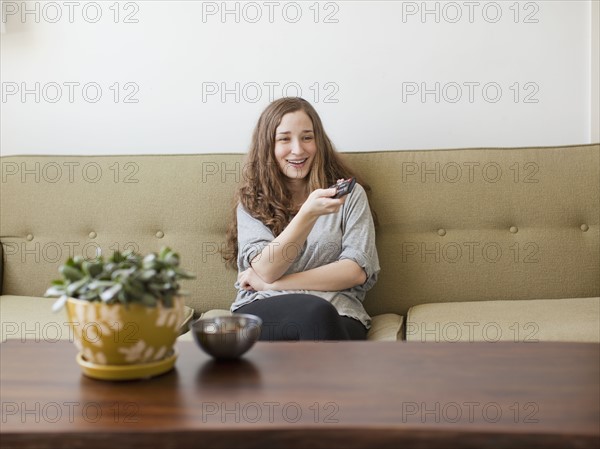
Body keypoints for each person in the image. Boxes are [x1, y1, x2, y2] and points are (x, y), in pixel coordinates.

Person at [222, 97, 379, 341]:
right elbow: (266, 267)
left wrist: (271, 285)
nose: (298, 149)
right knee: (314, 313)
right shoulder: (252, 199)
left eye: (307, 137)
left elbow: (355, 272)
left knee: (318, 313)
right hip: (264, 311)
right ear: (268, 146)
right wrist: (308, 213)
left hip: (338, 312)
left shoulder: (349, 196)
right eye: (284, 139)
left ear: (319, 142)